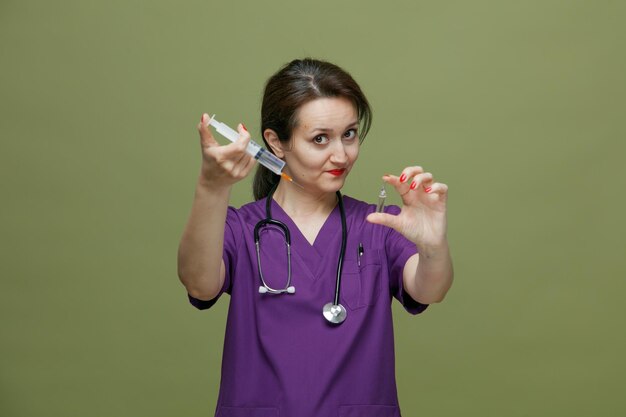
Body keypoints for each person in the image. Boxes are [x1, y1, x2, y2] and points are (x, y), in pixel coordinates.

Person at [178, 58, 453, 417]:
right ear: (276, 144)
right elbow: (199, 284)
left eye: (350, 134)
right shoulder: (241, 229)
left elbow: (430, 289)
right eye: (320, 139)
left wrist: (432, 244)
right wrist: (211, 187)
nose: (341, 155)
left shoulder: (378, 224)